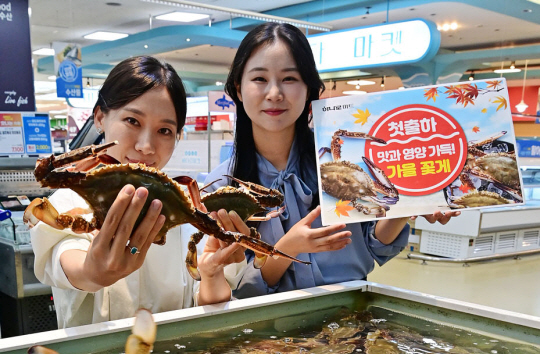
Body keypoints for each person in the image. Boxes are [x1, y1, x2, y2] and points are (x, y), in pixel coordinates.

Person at [204, 23, 459, 298]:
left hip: (349, 320)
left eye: (290, 78)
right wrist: (288, 248)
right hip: (269, 331)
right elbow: (234, 288)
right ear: (238, 89)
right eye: (260, 79)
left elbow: (374, 245)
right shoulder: (221, 187)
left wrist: (409, 203)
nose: (275, 93)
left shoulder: (344, 158)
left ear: (309, 89)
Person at [31, 56, 245, 328]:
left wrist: (213, 274)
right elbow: (66, 257)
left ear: (177, 136)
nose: (146, 146)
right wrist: (93, 271)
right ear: (100, 117)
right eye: (132, 120)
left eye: (164, 130)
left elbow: (208, 310)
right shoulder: (72, 198)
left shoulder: (187, 206)